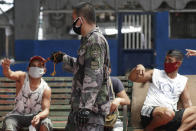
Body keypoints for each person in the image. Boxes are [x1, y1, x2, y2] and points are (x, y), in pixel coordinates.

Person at [50, 2, 111, 131]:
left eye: (74, 19)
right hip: (79, 107)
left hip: (90, 112)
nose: (73, 23)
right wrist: (63, 58)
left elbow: (94, 75)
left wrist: (86, 108)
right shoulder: (87, 40)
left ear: (81, 20)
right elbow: (83, 67)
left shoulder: (95, 41)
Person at [128, 49, 196, 131]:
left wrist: (192, 120)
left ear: (178, 63)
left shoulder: (183, 81)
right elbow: (132, 78)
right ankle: (149, 129)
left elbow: (187, 104)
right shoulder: (155, 73)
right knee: (168, 113)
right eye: (165, 60)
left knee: (171, 113)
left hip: (171, 117)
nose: (166, 62)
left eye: (170, 60)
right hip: (150, 114)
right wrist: (137, 68)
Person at [1, 56, 52, 131]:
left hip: (36, 117)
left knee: (46, 123)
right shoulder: (22, 77)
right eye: (33, 66)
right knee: (9, 123)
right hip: (17, 116)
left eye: (39, 66)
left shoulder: (46, 88)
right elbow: (10, 74)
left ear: (44, 70)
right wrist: (6, 67)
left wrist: (39, 116)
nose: (36, 68)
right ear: (28, 68)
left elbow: (46, 110)